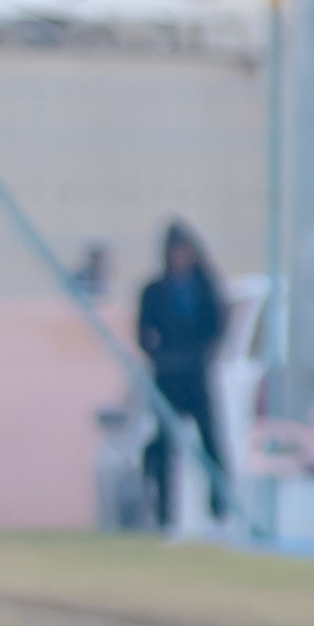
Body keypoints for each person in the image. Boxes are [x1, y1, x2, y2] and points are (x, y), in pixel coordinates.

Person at [133, 221, 231, 527]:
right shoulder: (154, 290)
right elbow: (143, 332)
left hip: (196, 375)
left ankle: (220, 509)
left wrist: (204, 354)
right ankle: (164, 516)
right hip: (167, 376)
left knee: (212, 442)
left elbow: (217, 326)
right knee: (163, 446)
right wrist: (160, 357)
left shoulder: (204, 288)